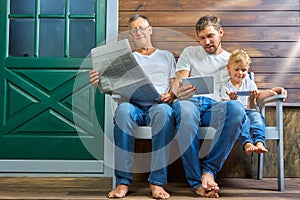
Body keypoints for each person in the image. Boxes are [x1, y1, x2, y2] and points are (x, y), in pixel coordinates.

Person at [172, 15, 287, 198]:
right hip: (190, 102)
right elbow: (179, 80)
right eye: (202, 38)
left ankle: (209, 171)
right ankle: (195, 182)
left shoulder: (231, 61)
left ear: (221, 33)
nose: (206, 42)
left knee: (236, 108)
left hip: (215, 107)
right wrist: (180, 89)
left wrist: (271, 91)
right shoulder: (190, 52)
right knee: (186, 112)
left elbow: (249, 90)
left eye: (210, 36)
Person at [90, 14, 176, 199]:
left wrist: (171, 95)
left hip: (158, 104)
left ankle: (157, 182)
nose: (139, 32)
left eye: (142, 28)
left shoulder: (166, 56)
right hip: (132, 104)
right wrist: (99, 83)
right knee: (122, 111)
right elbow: (111, 89)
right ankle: (123, 181)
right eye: (134, 30)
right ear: (131, 35)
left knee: (164, 113)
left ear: (150, 29)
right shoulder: (127, 59)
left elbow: (174, 85)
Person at [221, 49, 268, 155]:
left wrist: (252, 98)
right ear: (229, 68)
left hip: (250, 111)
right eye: (236, 69)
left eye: (244, 70)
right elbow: (225, 107)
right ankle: (247, 143)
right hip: (238, 115)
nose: (240, 73)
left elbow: (252, 107)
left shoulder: (250, 84)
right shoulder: (226, 87)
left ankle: (260, 142)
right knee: (243, 121)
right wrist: (231, 102)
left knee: (257, 117)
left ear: (248, 70)